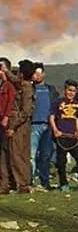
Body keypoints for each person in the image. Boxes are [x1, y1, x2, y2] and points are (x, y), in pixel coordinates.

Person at [0, 60, 34, 194]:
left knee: (17, 155)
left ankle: (23, 184)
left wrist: (12, 127)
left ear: (22, 74)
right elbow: (14, 79)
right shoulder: (22, 84)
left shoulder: (26, 89)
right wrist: (6, 71)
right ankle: (9, 184)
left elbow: (25, 112)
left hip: (19, 126)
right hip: (17, 124)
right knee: (12, 154)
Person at [49, 79, 78, 191]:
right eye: (69, 90)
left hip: (73, 137)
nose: (71, 93)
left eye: (74, 91)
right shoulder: (57, 102)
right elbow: (52, 117)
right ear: (65, 90)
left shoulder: (77, 104)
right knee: (61, 162)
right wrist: (55, 130)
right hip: (61, 137)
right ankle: (63, 184)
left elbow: (76, 119)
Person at [31, 64, 58, 189]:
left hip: (48, 126)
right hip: (34, 125)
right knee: (32, 155)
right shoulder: (30, 89)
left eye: (38, 73)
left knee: (46, 155)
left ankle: (45, 181)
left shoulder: (51, 90)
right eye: (34, 74)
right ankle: (29, 181)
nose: (36, 76)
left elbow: (57, 106)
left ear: (43, 74)